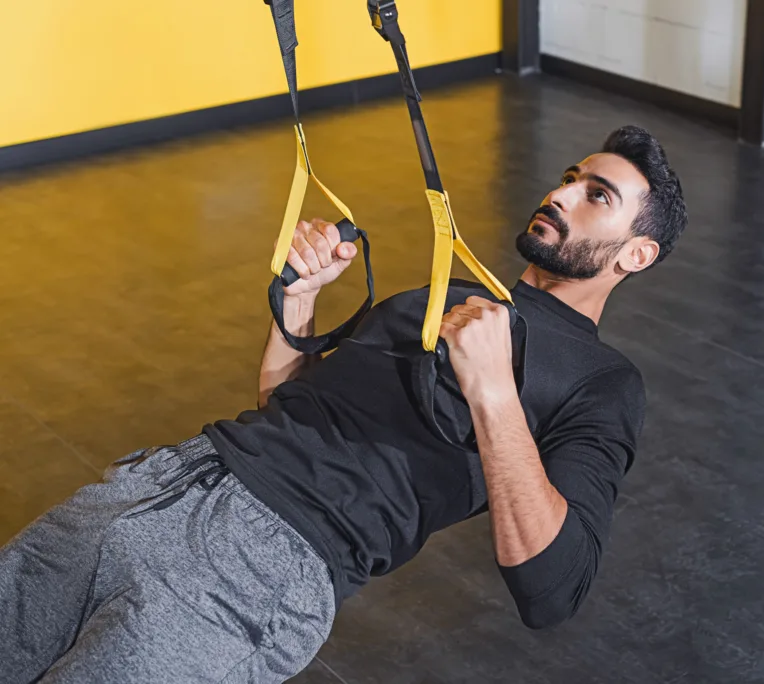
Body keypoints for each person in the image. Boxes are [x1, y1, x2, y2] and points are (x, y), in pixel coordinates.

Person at [0, 125, 687, 683]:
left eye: (597, 195)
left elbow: (553, 588)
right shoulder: (441, 297)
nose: (562, 194)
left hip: (255, 570)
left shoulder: (603, 381)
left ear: (636, 254)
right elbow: (288, 407)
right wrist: (298, 302)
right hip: (163, 485)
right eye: (569, 177)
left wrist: (495, 394)